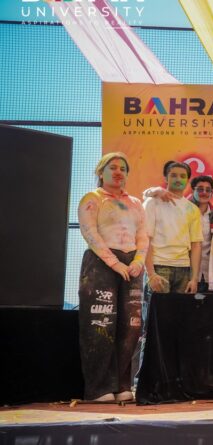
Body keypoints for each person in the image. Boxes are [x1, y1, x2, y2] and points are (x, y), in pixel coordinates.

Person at [77, 152, 148, 403]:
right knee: (101, 324)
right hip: (101, 263)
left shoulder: (136, 203)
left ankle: (122, 385)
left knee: (131, 326)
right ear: (101, 172)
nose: (119, 172)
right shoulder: (93, 198)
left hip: (132, 266)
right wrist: (114, 263)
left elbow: (143, 236)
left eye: (123, 169)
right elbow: (90, 233)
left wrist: (138, 261)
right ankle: (98, 387)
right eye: (113, 167)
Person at [143, 161, 203, 297]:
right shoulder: (152, 202)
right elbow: (145, 240)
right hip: (158, 266)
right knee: (157, 310)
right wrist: (151, 274)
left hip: (184, 269)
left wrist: (194, 279)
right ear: (166, 178)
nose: (178, 179)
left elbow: (196, 245)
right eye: (173, 175)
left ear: (188, 180)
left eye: (183, 176)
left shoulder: (193, 209)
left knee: (180, 311)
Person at [189, 176, 213, 291]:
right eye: (200, 189)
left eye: (208, 190)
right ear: (193, 190)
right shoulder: (184, 211)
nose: (204, 193)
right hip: (187, 271)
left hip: (210, 272)